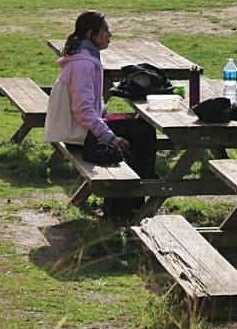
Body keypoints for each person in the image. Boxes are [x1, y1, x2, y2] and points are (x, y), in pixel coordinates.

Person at [44, 11, 157, 219]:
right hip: (78, 134)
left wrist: (104, 115)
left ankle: (130, 201)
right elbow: (83, 111)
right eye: (105, 30)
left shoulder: (84, 57)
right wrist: (110, 136)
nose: (109, 34)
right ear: (90, 33)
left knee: (139, 128)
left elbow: (93, 104)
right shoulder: (83, 64)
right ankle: (132, 202)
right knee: (142, 132)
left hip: (79, 129)